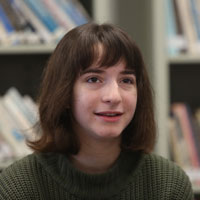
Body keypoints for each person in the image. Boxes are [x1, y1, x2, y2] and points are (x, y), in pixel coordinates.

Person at [0, 23, 193, 200]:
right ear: (64, 92)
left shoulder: (169, 185)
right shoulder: (19, 187)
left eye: (126, 81)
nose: (113, 96)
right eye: (94, 79)